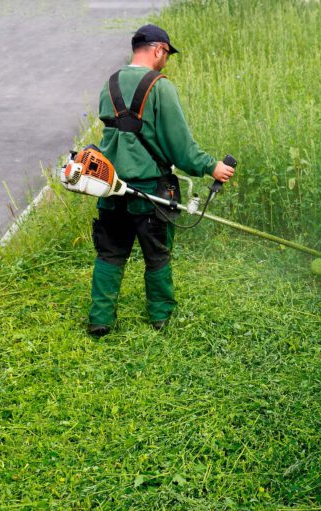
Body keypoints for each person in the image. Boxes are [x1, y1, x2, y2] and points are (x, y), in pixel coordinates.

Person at [87, 24, 234, 337]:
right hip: (149, 193)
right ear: (157, 50)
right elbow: (180, 146)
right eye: (166, 54)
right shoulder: (159, 86)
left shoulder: (110, 84)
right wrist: (212, 167)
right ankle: (160, 316)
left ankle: (100, 319)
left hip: (109, 187)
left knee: (110, 253)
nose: (166, 60)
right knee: (156, 255)